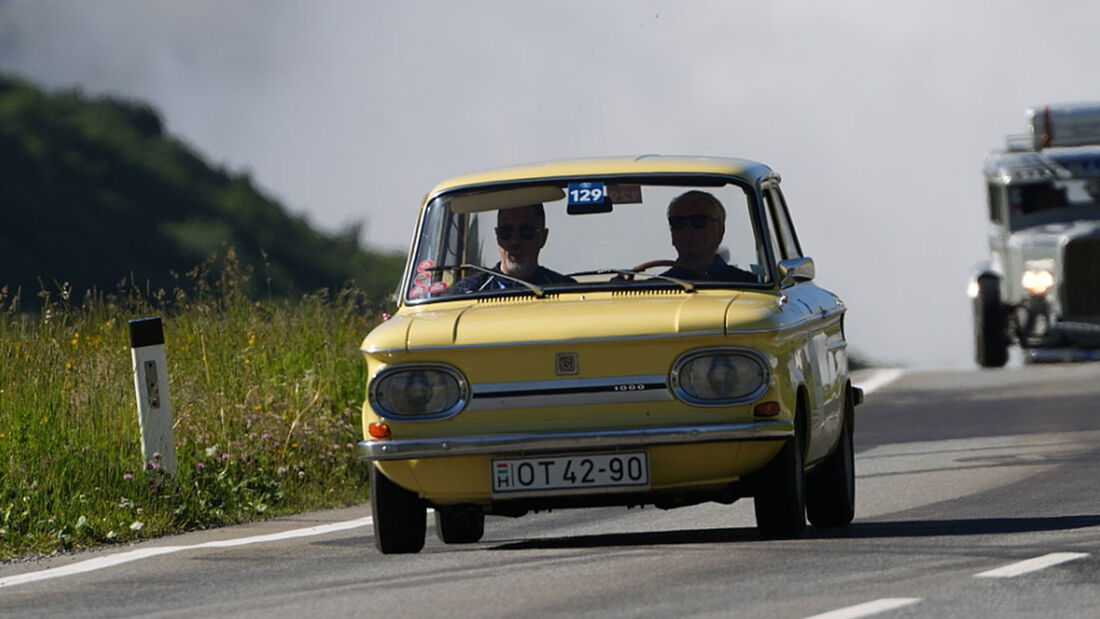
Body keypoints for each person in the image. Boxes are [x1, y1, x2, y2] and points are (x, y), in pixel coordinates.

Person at [450, 204, 574, 293]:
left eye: (526, 232)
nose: (515, 242)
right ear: (497, 237)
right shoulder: (468, 291)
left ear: (543, 237)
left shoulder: (565, 289)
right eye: (506, 232)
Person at [662, 190, 757, 282]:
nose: (688, 230)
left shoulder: (750, 287)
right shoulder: (653, 290)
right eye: (679, 223)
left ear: (720, 231)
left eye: (699, 222)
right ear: (672, 233)